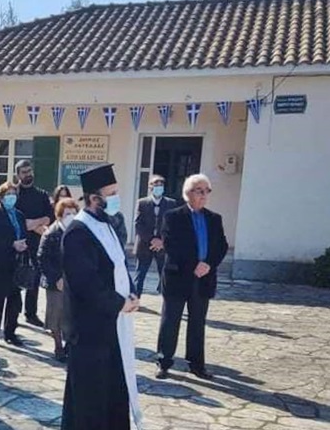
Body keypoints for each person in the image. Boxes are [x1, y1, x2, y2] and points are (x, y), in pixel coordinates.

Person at [61, 163, 143, 430]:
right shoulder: (78, 232)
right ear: (94, 199)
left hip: (112, 327)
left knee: (113, 393)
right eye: (112, 193)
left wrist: (132, 293)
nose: (117, 198)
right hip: (90, 332)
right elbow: (86, 283)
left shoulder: (108, 225)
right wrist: (120, 303)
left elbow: (119, 265)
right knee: (90, 401)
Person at [155, 174, 228, 381]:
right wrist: (193, 265)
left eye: (207, 191)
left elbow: (221, 245)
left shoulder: (214, 218)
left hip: (203, 277)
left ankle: (197, 365)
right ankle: (164, 362)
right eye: (199, 191)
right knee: (170, 321)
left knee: (197, 323)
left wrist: (208, 264)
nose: (204, 195)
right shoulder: (173, 216)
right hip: (178, 277)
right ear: (188, 193)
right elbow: (171, 245)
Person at [0, 181, 28, 347]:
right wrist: (11, 244)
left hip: (17, 263)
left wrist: (23, 245)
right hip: (0, 262)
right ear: (1, 197)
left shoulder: (20, 215)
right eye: (8, 194)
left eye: (13, 194)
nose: (11, 197)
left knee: (15, 300)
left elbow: (23, 233)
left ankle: (10, 333)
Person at [38, 197, 80, 362]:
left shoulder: (77, 231)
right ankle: (58, 346)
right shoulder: (51, 233)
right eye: (67, 213)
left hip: (74, 280)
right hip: (56, 282)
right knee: (55, 315)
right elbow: (42, 258)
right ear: (60, 215)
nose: (71, 216)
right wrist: (56, 278)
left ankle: (69, 344)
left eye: (73, 213)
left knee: (72, 315)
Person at [14, 160, 54, 328]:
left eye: (29, 171)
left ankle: (31, 313)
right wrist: (30, 225)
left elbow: (49, 217)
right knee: (15, 280)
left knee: (35, 278)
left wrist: (34, 224)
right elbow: (15, 218)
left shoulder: (42, 194)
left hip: (38, 242)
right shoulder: (13, 194)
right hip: (18, 243)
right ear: (18, 175)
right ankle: (13, 315)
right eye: (24, 172)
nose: (28, 174)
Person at [134, 175, 178, 299]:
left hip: (163, 246)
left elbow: (174, 225)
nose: (158, 187)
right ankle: (135, 299)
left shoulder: (171, 203)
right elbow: (138, 224)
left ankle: (166, 299)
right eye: (155, 185)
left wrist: (162, 241)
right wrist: (152, 239)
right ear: (150, 187)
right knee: (140, 274)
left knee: (165, 274)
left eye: (161, 185)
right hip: (144, 245)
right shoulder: (142, 203)